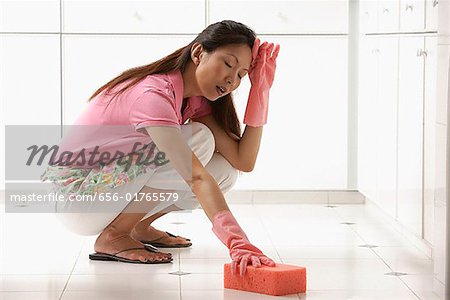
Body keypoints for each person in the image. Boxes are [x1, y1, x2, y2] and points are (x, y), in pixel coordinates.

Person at [40, 20, 280, 276]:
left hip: (103, 190)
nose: (232, 79)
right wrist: (237, 243)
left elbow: (243, 161)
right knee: (200, 140)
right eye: (228, 64)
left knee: (223, 172)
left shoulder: (195, 101)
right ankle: (114, 235)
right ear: (198, 53)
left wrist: (261, 90)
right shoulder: (154, 95)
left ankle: (138, 226)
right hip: (78, 198)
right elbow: (195, 177)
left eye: (242, 75)